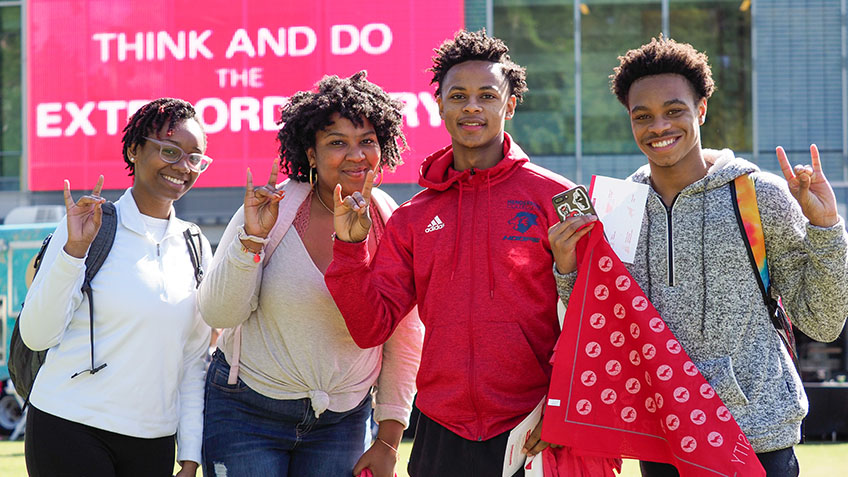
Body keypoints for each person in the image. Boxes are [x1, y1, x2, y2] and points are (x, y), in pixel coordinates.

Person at [549, 37, 848, 477]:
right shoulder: (617, 207)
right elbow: (601, 322)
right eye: (643, 116)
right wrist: (567, 267)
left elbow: (823, 321)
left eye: (674, 111)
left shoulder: (759, 195)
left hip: (758, 435)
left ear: (701, 110)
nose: (659, 127)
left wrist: (827, 229)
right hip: (664, 437)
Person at [325, 30, 618, 477]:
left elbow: (596, 314)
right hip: (442, 432)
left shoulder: (560, 197)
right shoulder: (412, 217)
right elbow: (371, 328)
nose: (472, 106)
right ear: (439, 104)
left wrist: (564, 406)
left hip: (535, 425)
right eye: (458, 95)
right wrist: (349, 250)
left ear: (510, 104)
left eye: (487, 95)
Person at [197, 71, 423, 477]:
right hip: (246, 412)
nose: (356, 155)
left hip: (342, 422)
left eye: (367, 141)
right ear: (311, 155)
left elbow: (404, 340)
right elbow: (219, 315)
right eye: (337, 142)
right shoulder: (273, 210)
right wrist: (251, 239)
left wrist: (389, 439)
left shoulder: (390, 220)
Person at [19, 98, 214, 477]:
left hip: (153, 440)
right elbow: (37, 335)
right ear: (134, 149)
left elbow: (194, 359)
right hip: (68, 424)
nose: (183, 167)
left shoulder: (195, 244)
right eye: (170, 151)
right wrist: (74, 251)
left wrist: (190, 454)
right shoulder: (88, 225)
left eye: (195, 158)